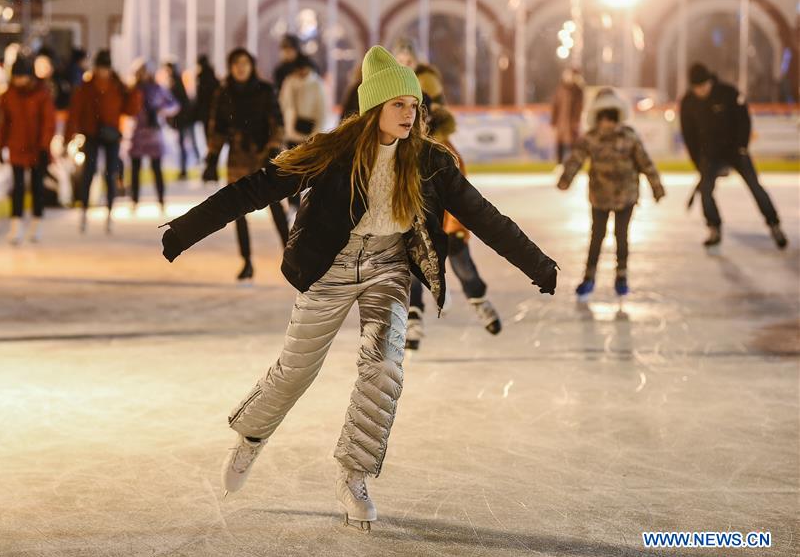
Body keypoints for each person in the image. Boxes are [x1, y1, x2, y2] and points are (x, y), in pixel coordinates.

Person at [160, 46, 558, 530]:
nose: (410, 113)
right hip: (330, 265)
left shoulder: (432, 160)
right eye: (399, 105)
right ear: (374, 108)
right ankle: (250, 438)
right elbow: (254, 188)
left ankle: (353, 474)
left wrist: (537, 264)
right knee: (295, 371)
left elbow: (482, 215)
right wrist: (184, 230)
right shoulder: (331, 152)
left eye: (414, 105)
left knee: (385, 364)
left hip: (388, 267)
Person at [391, 38, 500, 349]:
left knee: (460, 259)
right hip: (414, 217)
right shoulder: (399, 145)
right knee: (412, 263)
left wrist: (458, 223)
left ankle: (478, 299)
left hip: (448, 218)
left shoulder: (443, 151)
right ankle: (413, 318)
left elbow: (460, 187)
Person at [557, 88, 665, 298]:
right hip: (600, 197)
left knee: (621, 236)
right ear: (597, 118)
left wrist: (656, 186)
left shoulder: (629, 137)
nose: (607, 123)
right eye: (604, 118)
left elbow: (645, 163)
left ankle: (622, 276)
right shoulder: (591, 138)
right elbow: (576, 160)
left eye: (611, 118)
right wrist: (565, 179)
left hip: (626, 197)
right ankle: (589, 277)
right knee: (596, 237)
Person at [203, 48, 290, 281]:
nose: (241, 68)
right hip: (238, 157)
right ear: (231, 67)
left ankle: (292, 255)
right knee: (238, 211)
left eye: (245, 63)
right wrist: (212, 157)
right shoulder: (223, 93)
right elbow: (218, 128)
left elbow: (277, 122)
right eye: (236, 63)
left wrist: (273, 147)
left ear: (251, 66)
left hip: (263, 155)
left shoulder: (264, 90)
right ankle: (247, 261)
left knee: (275, 207)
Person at [680, 63, 786, 250]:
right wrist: (698, 162)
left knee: (756, 187)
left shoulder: (728, 93)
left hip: (735, 152)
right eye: (697, 88)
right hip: (710, 155)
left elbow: (743, 119)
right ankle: (714, 227)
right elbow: (689, 135)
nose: (701, 91)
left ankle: (774, 224)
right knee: (706, 192)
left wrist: (742, 147)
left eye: (704, 86)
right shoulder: (688, 103)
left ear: (710, 81)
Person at [65, 49, 139, 234]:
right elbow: (75, 111)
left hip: (112, 135)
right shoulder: (86, 87)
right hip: (91, 134)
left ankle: (109, 213)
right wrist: (69, 136)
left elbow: (130, 109)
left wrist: (133, 92)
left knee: (110, 173)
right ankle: (84, 212)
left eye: (105, 68)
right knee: (88, 173)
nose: (102, 72)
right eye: (100, 68)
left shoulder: (117, 86)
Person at [0, 56, 56, 244]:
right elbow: (3, 123)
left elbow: (48, 122)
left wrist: (45, 146)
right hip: (17, 146)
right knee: (18, 187)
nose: (18, 80)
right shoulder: (8, 95)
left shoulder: (42, 94)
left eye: (21, 76)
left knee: (37, 187)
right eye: (16, 77)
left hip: (37, 147)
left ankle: (36, 224)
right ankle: (16, 226)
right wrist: (1, 146)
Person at [278, 55, 328, 215]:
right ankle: (293, 204)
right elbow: (283, 105)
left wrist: (317, 132)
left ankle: (309, 204)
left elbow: (322, 110)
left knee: (309, 171)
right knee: (291, 170)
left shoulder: (316, 84)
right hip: (291, 134)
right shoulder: (289, 82)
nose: (302, 71)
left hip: (310, 135)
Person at [128, 59, 179, 210]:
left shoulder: (158, 89)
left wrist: (161, 111)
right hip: (137, 133)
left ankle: (161, 199)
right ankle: (134, 200)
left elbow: (174, 105)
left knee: (156, 168)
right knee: (135, 169)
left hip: (154, 133)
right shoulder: (133, 89)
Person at [164, 61, 199, 180]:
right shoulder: (176, 80)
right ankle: (188, 168)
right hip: (184, 118)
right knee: (188, 144)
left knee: (186, 144)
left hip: (184, 119)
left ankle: (187, 169)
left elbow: (179, 102)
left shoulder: (175, 81)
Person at [193, 55, 220, 182]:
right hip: (214, 115)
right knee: (212, 143)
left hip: (206, 115)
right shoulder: (213, 77)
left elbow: (200, 100)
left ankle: (210, 171)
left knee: (210, 143)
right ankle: (211, 171)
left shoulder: (201, 78)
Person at [550, 68, 584, 165]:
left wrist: (576, 121)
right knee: (560, 143)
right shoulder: (561, 89)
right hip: (562, 121)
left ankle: (573, 164)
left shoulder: (578, 90)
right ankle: (559, 164)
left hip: (572, 122)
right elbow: (555, 105)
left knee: (573, 143)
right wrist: (553, 120)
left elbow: (579, 106)